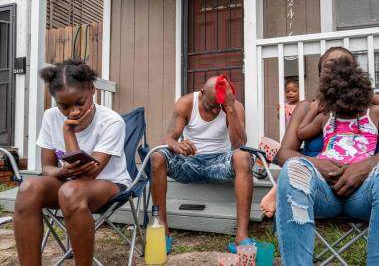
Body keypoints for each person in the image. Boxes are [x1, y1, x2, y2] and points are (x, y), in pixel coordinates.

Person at [13, 59, 132, 266]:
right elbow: (47, 167)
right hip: (66, 181)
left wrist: (68, 130)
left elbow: (89, 175)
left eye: (80, 102)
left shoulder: (112, 122)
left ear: (92, 90)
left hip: (108, 183)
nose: (73, 112)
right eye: (64, 106)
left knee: (71, 191)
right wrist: (60, 172)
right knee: (28, 188)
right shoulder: (50, 117)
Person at [276, 47, 379, 265]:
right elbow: (284, 153)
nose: (336, 73)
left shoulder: (372, 109)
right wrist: (318, 165)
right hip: (322, 191)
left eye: (343, 67)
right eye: (329, 68)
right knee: (293, 168)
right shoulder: (311, 109)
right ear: (320, 74)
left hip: (365, 193)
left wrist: (367, 165)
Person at [151, 76, 254, 254]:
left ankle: (241, 236)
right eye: (211, 105)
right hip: (190, 162)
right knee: (157, 157)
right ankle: (161, 230)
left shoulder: (233, 106)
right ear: (202, 92)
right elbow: (169, 138)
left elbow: (239, 144)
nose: (215, 110)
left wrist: (229, 108)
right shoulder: (186, 103)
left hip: (219, 163)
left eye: (219, 106)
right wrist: (178, 146)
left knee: (243, 157)